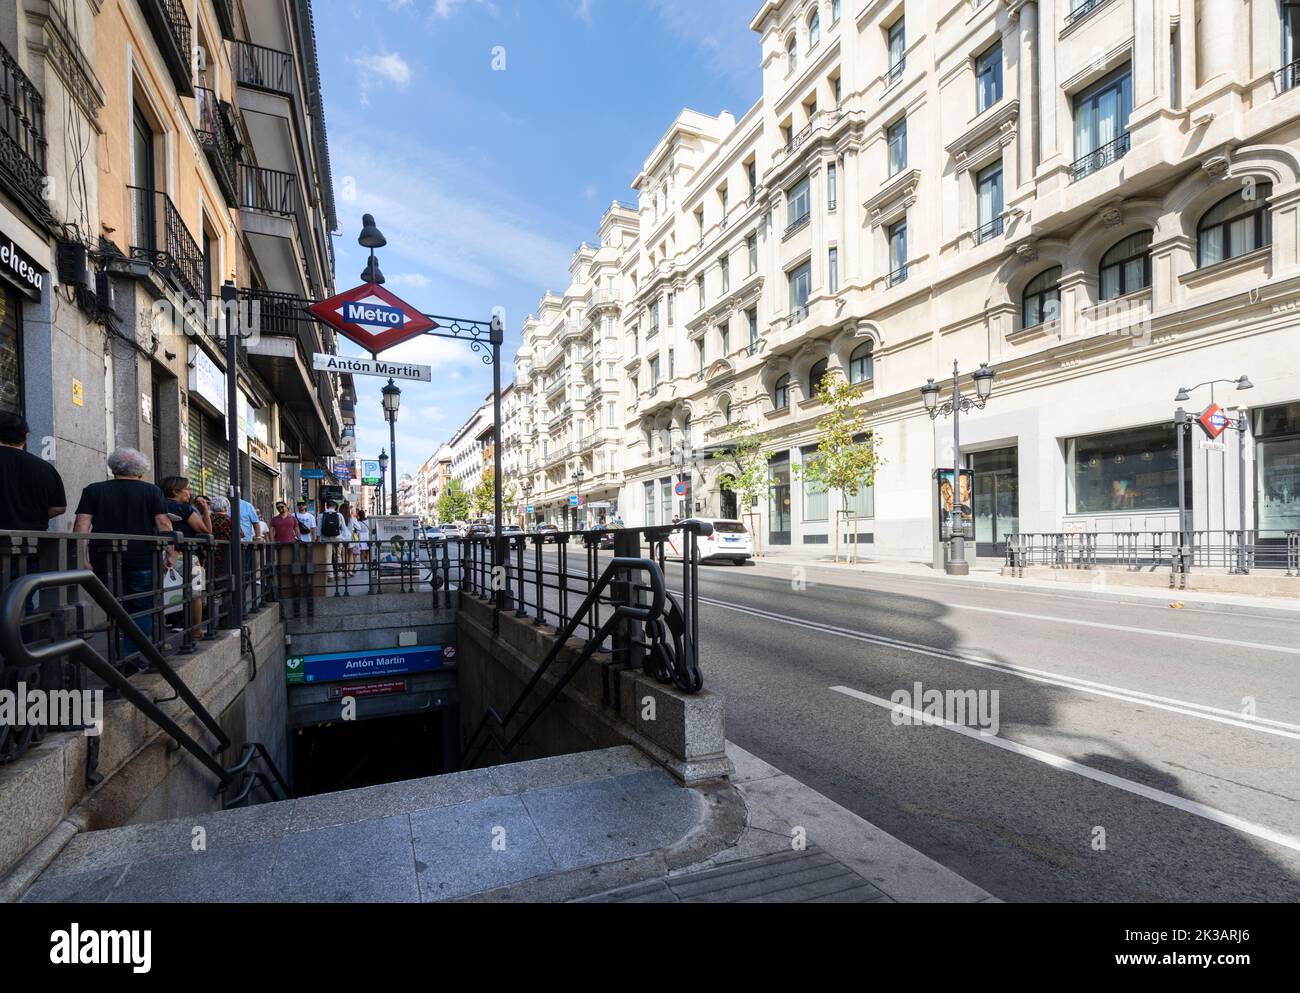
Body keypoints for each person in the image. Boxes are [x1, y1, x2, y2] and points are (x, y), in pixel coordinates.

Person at [73, 448, 171, 671]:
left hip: (103, 558)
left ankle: (124, 655)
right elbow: (164, 524)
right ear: (141, 470)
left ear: (113, 467)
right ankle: (129, 657)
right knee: (142, 607)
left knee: (115, 606)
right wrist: (170, 553)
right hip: (143, 557)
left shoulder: (93, 490)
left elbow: (81, 525)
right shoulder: (152, 491)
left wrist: (83, 557)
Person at [0, 411, 67, 532]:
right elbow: (59, 507)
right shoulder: (46, 468)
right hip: (32, 544)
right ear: (26, 436)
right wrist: (32, 517)